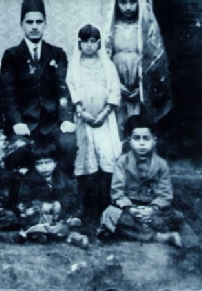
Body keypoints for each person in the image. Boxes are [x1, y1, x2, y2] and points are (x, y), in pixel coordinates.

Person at [0, 0, 76, 176]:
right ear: (21, 25)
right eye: (29, 22)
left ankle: (62, 194)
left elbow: (63, 88)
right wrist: (17, 122)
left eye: (39, 22)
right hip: (24, 123)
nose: (34, 27)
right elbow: (7, 94)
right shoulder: (11, 55)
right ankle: (24, 197)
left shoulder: (57, 53)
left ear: (45, 24)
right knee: (18, 149)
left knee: (68, 144)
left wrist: (65, 118)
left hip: (52, 123)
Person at [98, 115, 199, 248]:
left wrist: (152, 209)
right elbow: (117, 192)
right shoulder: (122, 162)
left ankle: (137, 231)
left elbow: (165, 194)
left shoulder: (161, 164)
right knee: (110, 214)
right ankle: (163, 237)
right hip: (131, 210)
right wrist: (131, 209)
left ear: (154, 140)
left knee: (175, 217)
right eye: (136, 138)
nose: (141, 143)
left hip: (154, 210)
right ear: (129, 140)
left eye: (146, 138)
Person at [66, 24, 122, 217]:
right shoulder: (73, 65)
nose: (89, 46)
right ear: (79, 43)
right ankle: (85, 206)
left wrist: (105, 113)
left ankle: (106, 204)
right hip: (83, 120)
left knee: (106, 156)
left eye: (93, 41)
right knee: (85, 156)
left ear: (98, 43)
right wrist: (81, 111)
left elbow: (115, 90)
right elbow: (71, 88)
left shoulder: (108, 65)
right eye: (85, 41)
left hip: (104, 120)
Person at [104, 0, 173, 138]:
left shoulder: (147, 28)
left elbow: (154, 60)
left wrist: (142, 88)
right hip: (118, 85)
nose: (128, 7)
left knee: (141, 127)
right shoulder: (110, 28)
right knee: (119, 129)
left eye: (132, 2)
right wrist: (117, 85)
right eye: (123, 3)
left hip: (141, 86)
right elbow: (105, 59)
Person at [16, 143, 87, 247]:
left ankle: (72, 235)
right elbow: (24, 197)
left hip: (58, 213)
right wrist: (40, 205)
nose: (44, 167)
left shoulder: (61, 177)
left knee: (72, 216)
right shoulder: (29, 179)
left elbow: (71, 193)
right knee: (31, 217)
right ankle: (41, 233)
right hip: (40, 212)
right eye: (39, 164)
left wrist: (61, 203)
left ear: (55, 163)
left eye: (48, 162)